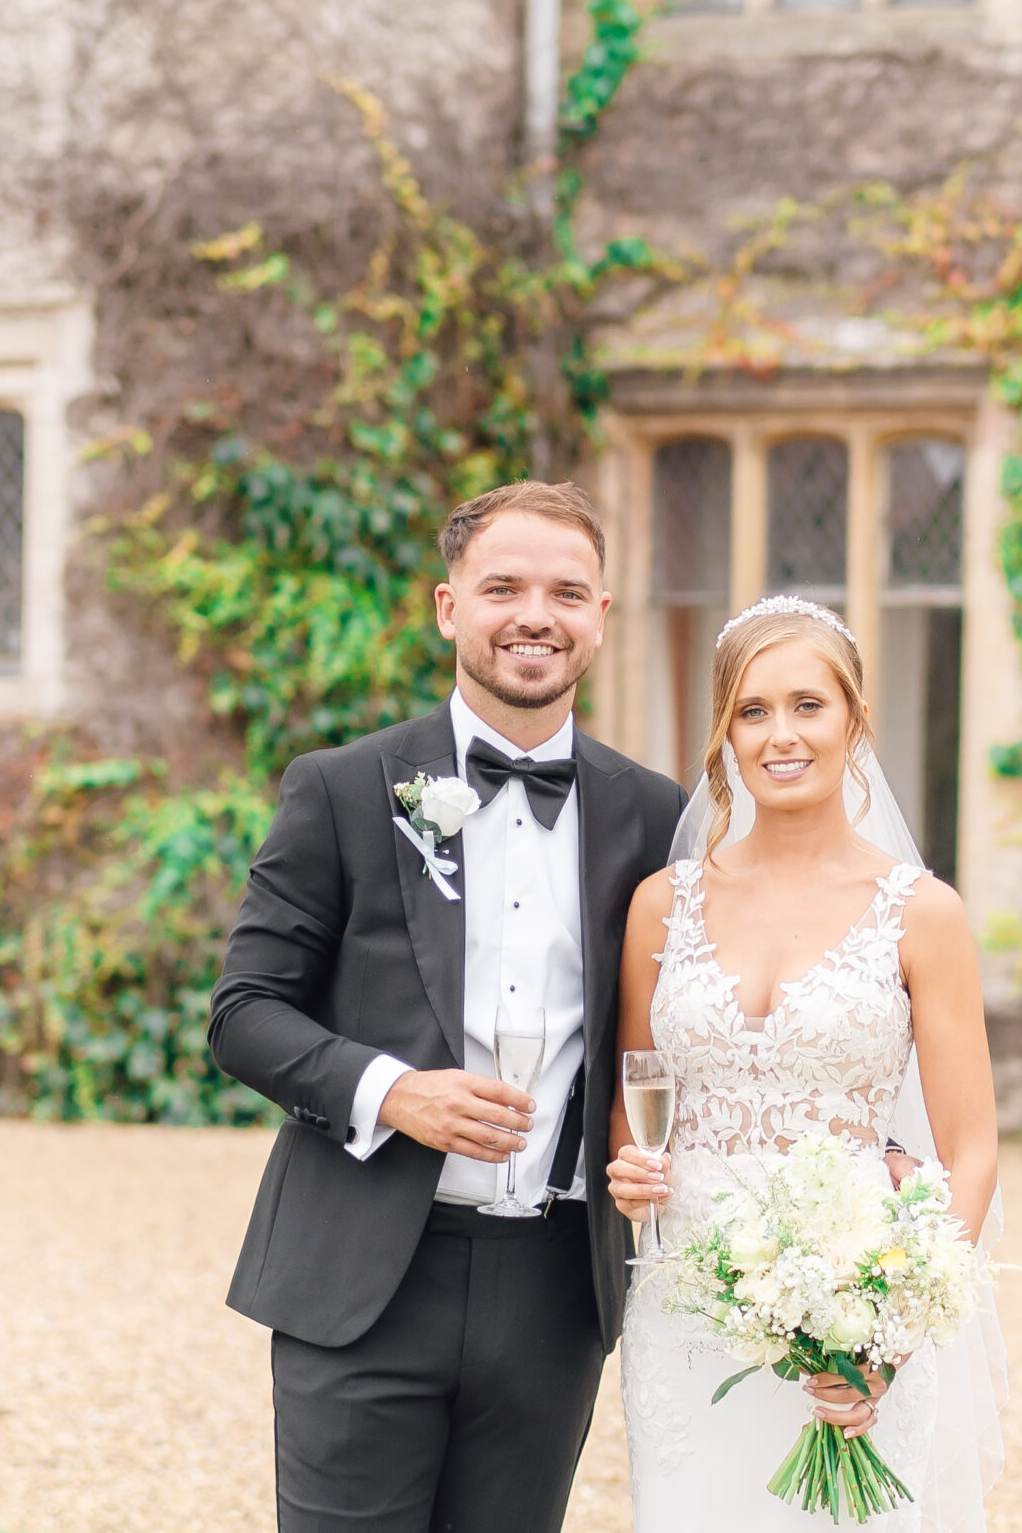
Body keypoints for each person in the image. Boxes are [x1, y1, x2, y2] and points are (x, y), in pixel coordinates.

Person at [209, 481, 685, 1533]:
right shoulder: (339, 789)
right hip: (366, 1275)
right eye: (503, 587)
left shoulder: (655, 817)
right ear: (447, 607)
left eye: (567, 592)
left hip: (558, 1290)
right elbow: (243, 1012)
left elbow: (695, 1031)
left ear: (600, 617)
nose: (535, 616)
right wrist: (391, 1092)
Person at [606, 594, 1008, 1530]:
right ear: (726, 732)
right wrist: (631, 1162)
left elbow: (973, 1147)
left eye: (807, 705)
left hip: (853, 1306)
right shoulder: (662, 905)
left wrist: (890, 1330)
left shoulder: (922, 912)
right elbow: (637, 1091)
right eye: (752, 711)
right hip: (688, 1300)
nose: (780, 734)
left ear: (856, 721)